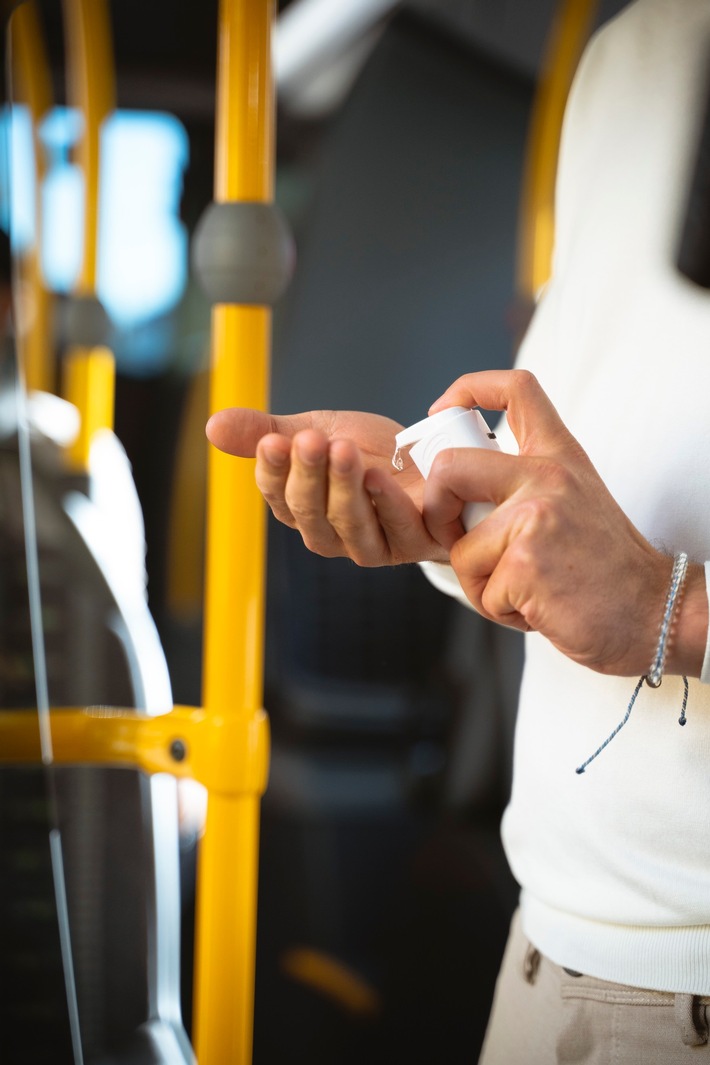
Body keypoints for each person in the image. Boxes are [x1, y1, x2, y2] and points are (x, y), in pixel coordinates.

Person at [206, 0, 710, 1060]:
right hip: (547, 953)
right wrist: (449, 507)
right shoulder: (628, 51)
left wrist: (680, 613)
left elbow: (643, 587)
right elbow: (605, 484)